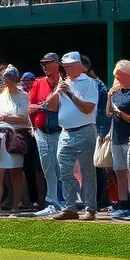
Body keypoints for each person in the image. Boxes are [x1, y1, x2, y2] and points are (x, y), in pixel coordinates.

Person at [48, 52, 100, 221]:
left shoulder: (89, 83)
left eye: (70, 65)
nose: (67, 69)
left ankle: (89, 208)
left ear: (79, 65)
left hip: (85, 130)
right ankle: (70, 207)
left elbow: (88, 108)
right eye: (65, 66)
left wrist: (70, 93)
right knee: (64, 171)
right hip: (65, 133)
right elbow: (52, 107)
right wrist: (57, 91)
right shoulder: (64, 83)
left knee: (87, 172)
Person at [0, 66, 30, 218]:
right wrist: (7, 117)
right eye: (6, 77)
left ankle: (15, 206)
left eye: (11, 77)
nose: (8, 80)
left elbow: (23, 118)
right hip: (0, 136)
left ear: (16, 79)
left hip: (15, 137)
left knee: (15, 173)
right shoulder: (0, 97)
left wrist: (4, 117)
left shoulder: (23, 96)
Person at [28, 54, 65, 217]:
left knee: (62, 167)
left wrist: (43, 106)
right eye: (43, 63)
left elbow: (60, 107)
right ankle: (52, 202)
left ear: (57, 64)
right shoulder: (38, 83)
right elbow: (30, 107)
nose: (45, 66)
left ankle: (64, 202)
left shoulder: (65, 82)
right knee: (48, 168)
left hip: (61, 130)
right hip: (41, 131)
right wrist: (43, 107)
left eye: (48, 63)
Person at [106, 60, 130, 219]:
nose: (118, 80)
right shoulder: (117, 91)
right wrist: (109, 97)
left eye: (120, 76)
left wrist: (121, 114)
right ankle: (123, 204)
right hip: (117, 136)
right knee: (119, 171)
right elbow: (108, 113)